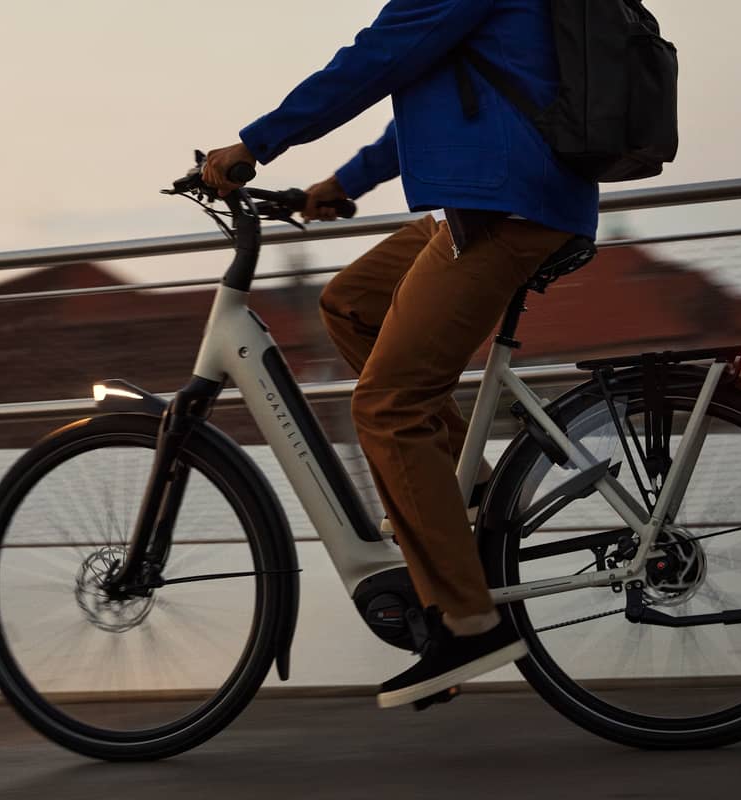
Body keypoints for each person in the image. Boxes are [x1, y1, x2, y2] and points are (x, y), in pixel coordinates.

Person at [202, 0, 599, 709]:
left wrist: (254, 144)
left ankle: (469, 622)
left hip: (506, 209)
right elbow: (421, 91)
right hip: (485, 200)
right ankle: (465, 486)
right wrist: (342, 186)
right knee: (351, 303)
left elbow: (375, 58)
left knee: (387, 406)